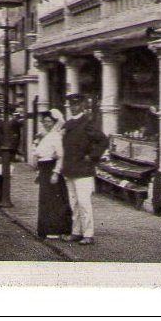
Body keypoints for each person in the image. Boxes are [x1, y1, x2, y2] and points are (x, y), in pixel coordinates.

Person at [60, 93, 108, 245]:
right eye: (71, 105)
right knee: (73, 203)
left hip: (83, 170)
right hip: (69, 169)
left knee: (84, 203)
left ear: (82, 106)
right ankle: (76, 232)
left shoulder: (87, 122)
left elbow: (103, 140)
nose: (73, 107)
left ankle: (88, 234)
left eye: (76, 104)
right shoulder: (67, 124)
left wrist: (92, 156)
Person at [33, 109, 72, 239]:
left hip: (51, 170)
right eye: (44, 121)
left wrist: (55, 173)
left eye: (49, 121)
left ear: (55, 122)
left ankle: (56, 230)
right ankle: (47, 229)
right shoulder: (47, 135)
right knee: (46, 200)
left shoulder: (55, 136)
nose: (46, 123)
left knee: (54, 200)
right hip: (44, 170)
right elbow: (39, 153)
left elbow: (60, 156)